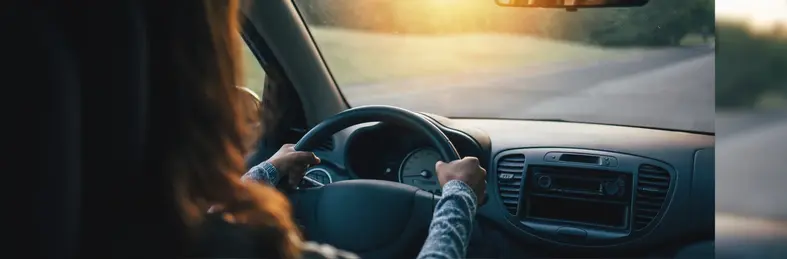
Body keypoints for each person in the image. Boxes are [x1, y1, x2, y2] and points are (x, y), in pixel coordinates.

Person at [133, 0, 488, 258]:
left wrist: (269, 169)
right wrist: (458, 196)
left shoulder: (113, 229)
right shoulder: (248, 249)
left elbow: (214, 217)